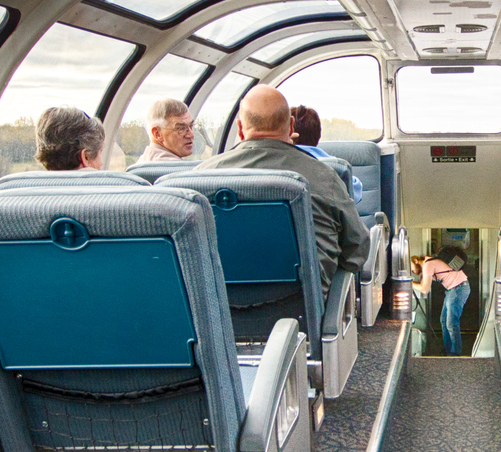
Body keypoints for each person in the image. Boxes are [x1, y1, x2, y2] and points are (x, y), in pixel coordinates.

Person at [197, 86, 370, 285]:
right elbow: (357, 248)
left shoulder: (200, 178)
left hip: (217, 309)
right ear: (290, 126)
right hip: (306, 309)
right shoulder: (323, 176)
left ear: (239, 129)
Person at [289, 104, 364, 204]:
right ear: (318, 135)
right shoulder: (338, 168)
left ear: (289, 132)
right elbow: (354, 194)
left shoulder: (279, 164)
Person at [413, 252, 471, 355]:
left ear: (416, 261)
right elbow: (423, 284)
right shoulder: (429, 263)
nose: (412, 271)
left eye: (411, 268)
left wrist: (408, 282)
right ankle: (448, 350)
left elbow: (425, 289)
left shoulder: (427, 265)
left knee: (451, 323)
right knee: (444, 321)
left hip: (458, 288)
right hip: (452, 290)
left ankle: (455, 354)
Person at [34, 105, 105, 170]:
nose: (101, 163)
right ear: (86, 157)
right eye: (99, 153)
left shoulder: (29, 182)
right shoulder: (105, 183)